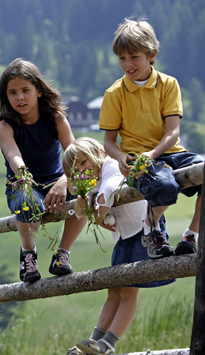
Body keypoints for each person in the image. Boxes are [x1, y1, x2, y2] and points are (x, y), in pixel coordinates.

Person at [99, 18, 202, 259]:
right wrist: (122, 157)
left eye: (134, 57)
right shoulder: (114, 94)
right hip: (139, 159)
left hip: (171, 152)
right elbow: (109, 143)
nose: (127, 64)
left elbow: (173, 132)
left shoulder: (168, 84)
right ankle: (152, 231)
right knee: (165, 186)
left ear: (152, 54)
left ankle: (191, 235)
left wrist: (153, 154)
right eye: (122, 58)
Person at [62, 137, 174, 355]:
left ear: (99, 153)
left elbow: (111, 189)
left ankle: (108, 344)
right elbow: (86, 210)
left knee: (128, 292)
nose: (83, 170)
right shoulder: (94, 179)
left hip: (144, 230)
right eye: (76, 169)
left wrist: (100, 210)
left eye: (84, 162)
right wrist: (83, 201)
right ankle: (93, 341)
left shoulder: (112, 166)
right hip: (125, 236)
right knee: (114, 290)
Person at [0, 58, 87, 283]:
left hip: (59, 179)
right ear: (6, 97)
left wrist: (64, 181)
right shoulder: (4, 126)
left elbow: (75, 156)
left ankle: (62, 254)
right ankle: (28, 253)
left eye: (25, 90)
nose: (20, 97)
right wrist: (24, 176)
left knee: (86, 190)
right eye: (13, 93)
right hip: (22, 183)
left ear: (38, 90)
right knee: (29, 203)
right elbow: (13, 154)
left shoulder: (56, 119)